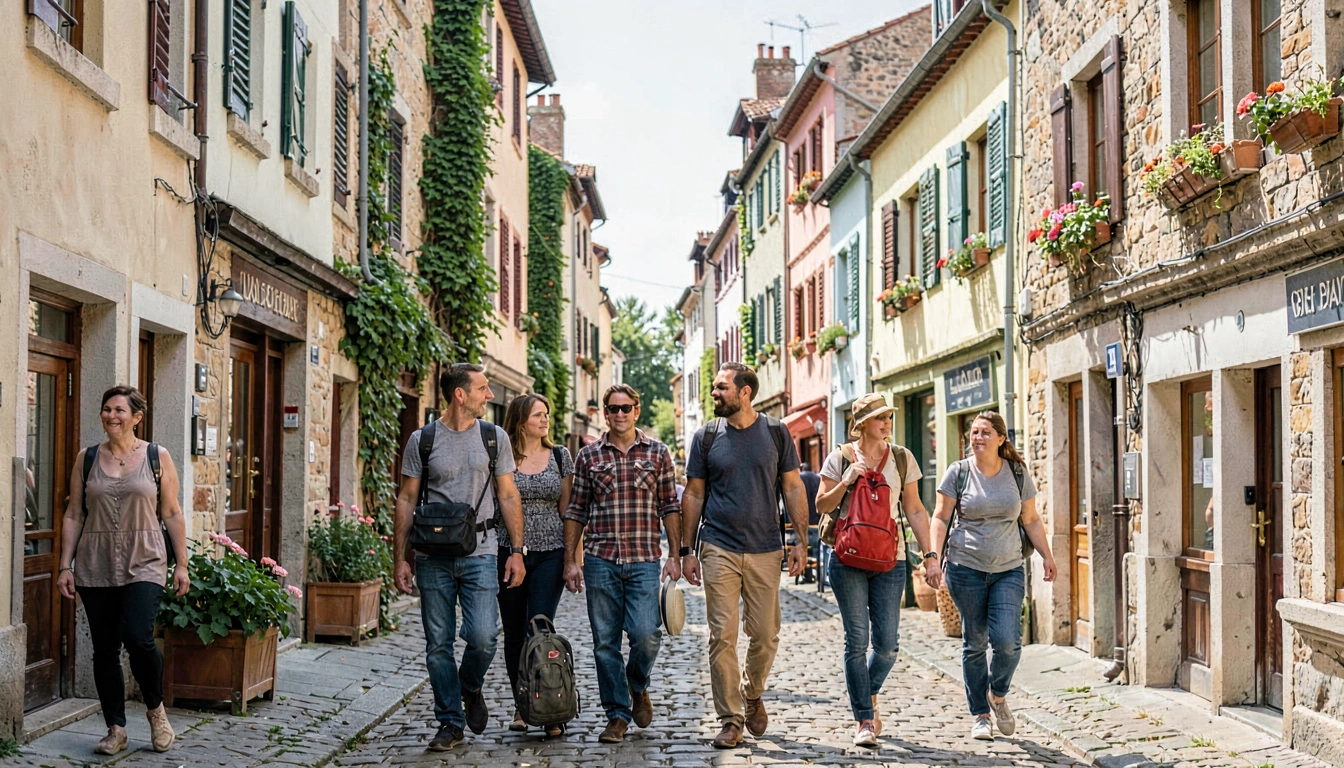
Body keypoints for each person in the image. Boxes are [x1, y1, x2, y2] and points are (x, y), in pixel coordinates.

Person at [394, 363, 527, 751]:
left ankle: (470, 684)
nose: (489, 395)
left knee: (484, 637)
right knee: (438, 644)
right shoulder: (424, 440)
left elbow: (508, 495)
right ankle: (450, 722)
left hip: (481, 552)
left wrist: (516, 551)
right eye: (483, 389)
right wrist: (399, 558)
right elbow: (405, 498)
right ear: (460, 394)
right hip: (432, 555)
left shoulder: (493, 437)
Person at [681, 362, 809, 749]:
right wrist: (687, 550)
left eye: (721, 388)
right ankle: (731, 718)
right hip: (718, 545)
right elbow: (694, 494)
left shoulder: (775, 432)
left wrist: (801, 540)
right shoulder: (707, 436)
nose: (714, 393)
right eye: (715, 387)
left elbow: (792, 487)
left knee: (766, 635)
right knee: (722, 635)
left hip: (766, 547)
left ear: (745, 392)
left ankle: (752, 693)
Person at [56, 386, 189, 756]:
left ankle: (156, 712)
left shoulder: (155, 456)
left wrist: (182, 564)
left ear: (136, 417)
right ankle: (115, 728)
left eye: (119, 410)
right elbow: (73, 513)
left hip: (145, 559)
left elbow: (172, 513)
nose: (111, 416)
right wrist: (64, 565)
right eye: (106, 409)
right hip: (96, 562)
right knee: (104, 649)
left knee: (138, 637)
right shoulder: (87, 459)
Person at [815, 394, 941, 747]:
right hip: (847, 560)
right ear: (861, 423)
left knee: (886, 646)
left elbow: (916, 509)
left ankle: (866, 693)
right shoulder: (839, 457)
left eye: (888, 417)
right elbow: (821, 505)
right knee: (856, 641)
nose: (886, 423)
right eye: (879, 418)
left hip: (891, 559)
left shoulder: (902, 458)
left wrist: (930, 555)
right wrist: (846, 481)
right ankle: (864, 721)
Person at [563, 385, 682, 744]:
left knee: (647, 634)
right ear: (605, 412)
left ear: (637, 410)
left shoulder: (658, 453)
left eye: (625, 408)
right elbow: (576, 510)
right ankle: (616, 714)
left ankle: (637, 684)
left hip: (645, 558)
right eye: (612, 408)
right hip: (601, 560)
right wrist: (571, 560)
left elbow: (670, 508)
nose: (619, 414)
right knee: (605, 643)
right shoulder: (588, 456)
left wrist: (676, 555)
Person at [928, 410, 1056, 742]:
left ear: (1001, 438)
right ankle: (980, 714)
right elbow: (940, 517)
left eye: (985, 432)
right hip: (965, 568)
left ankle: (997, 695)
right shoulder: (958, 473)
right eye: (974, 432)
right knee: (974, 643)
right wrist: (933, 557)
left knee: (1008, 643)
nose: (978, 437)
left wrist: (1047, 556)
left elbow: (1030, 519)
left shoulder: (1016, 473)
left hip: (1008, 569)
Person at [499, 394, 573, 737]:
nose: (545, 420)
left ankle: (550, 706)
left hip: (550, 552)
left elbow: (568, 511)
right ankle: (522, 703)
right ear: (520, 420)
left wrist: (574, 559)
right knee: (514, 633)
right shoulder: (500, 455)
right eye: (538, 415)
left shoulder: (560, 455)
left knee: (540, 628)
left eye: (547, 413)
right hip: (507, 552)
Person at [797, 461, 822, 584]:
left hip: (804, 519)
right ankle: (820, 576)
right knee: (817, 549)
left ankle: (807, 574)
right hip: (816, 519)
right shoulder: (817, 478)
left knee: (805, 547)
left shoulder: (799, 478)